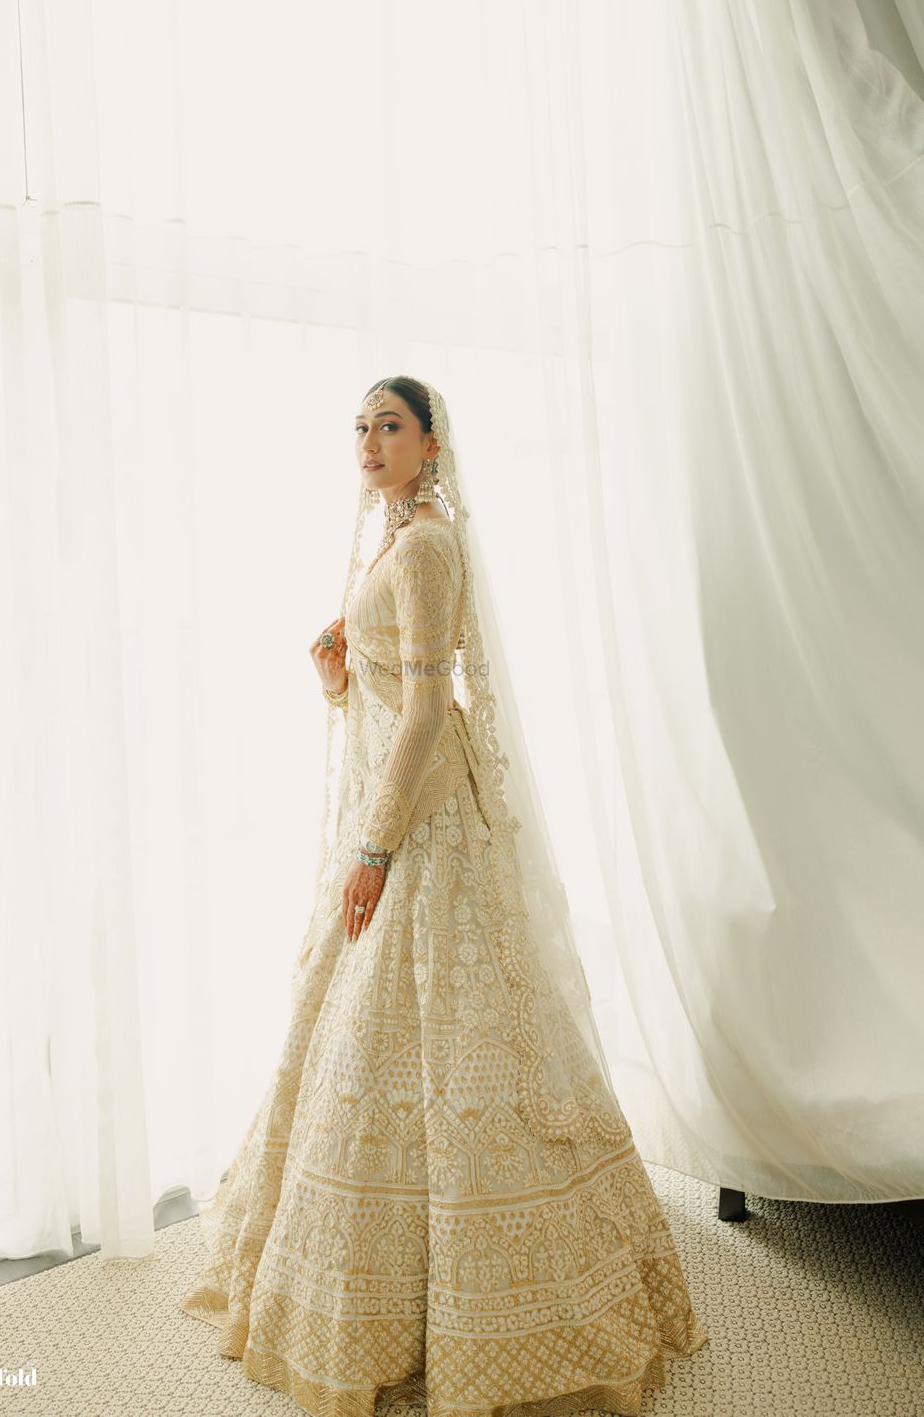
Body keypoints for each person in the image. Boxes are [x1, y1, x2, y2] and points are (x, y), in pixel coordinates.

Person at [180, 375, 708, 1416]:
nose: (371, 441)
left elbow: (428, 707)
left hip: (422, 821)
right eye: (362, 426)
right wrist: (337, 676)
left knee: (453, 1043)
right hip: (398, 802)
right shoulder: (394, 535)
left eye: (390, 425)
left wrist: (372, 848)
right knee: (375, 1040)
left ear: (431, 442)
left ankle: (496, 1301)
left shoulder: (424, 544)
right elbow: (389, 689)